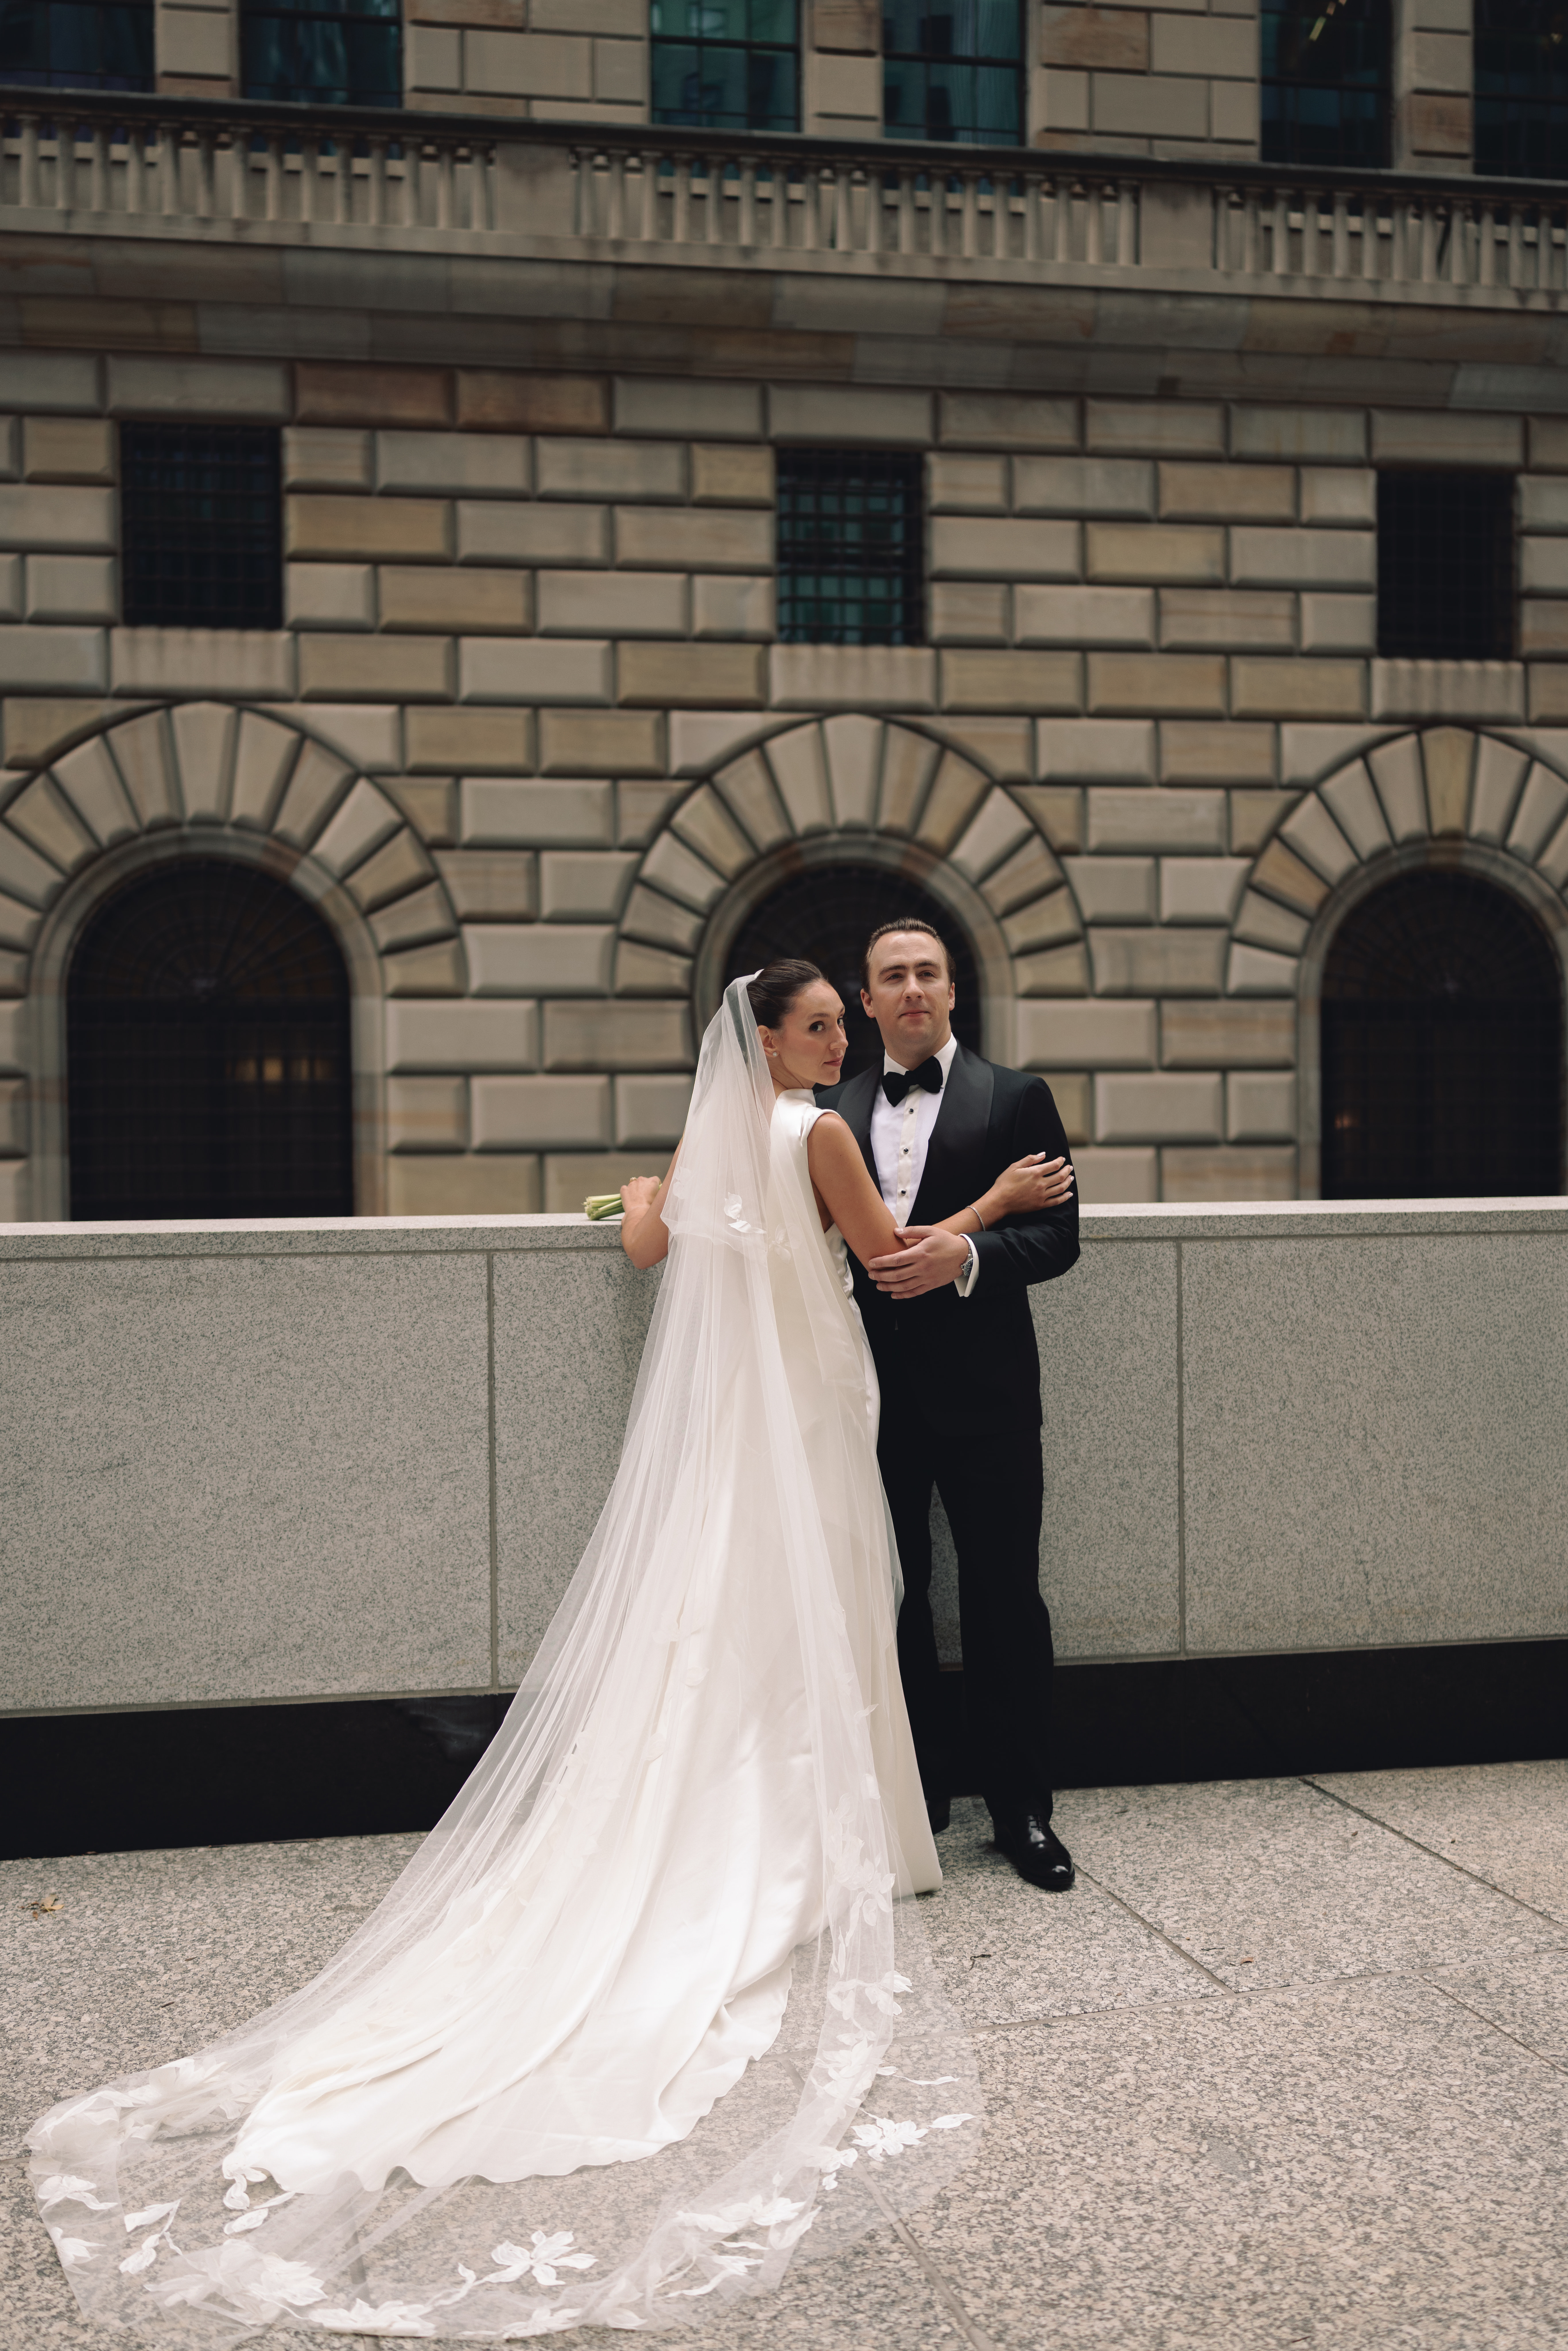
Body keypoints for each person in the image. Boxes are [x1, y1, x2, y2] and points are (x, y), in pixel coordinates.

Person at [28, 961, 1062, 2346]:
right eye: (823, 1023)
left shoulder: (712, 1139)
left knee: (755, 1610)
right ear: (771, 1040)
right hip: (813, 1403)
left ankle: (814, 1804)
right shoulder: (815, 1130)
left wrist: (644, 1203)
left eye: (844, 1020)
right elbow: (883, 1257)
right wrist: (994, 1204)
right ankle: (832, 1821)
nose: (844, 1037)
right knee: (829, 1593)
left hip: (749, 1422)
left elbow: (649, 1246)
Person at [816, 921, 1080, 1893]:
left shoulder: (1017, 1099)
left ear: (953, 992)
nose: (914, 988)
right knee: (893, 1601)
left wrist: (967, 1255)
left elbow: (1059, 1241)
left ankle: (1022, 1811)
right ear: (868, 1000)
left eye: (929, 973)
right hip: (866, 1400)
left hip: (992, 1398)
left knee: (1006, 1598)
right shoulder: (828, 1108)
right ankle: (915, 1800)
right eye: (895, 975)